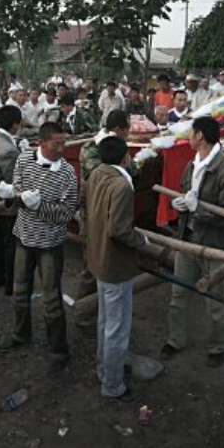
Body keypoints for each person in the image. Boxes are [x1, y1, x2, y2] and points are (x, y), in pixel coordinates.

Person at [0, 122, 79, 375]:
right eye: (57, 143)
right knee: (20, 291)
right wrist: (11, 195)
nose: (62, 148)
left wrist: (38, 206)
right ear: (42, 143)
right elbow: (19, 194)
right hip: (23, 238)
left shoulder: (67, 173)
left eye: (63, 142)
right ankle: (21, 334)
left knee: (51, 299)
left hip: (50, 245)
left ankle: (59, 350)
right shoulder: (23, 161)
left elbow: (67, 213)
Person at [162, 117, 224, 368]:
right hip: (188, 240)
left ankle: (217, 346)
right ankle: (175, 339)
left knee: (214, 301)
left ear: (201, 136)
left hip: (215, 245)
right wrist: (182, 207)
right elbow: (185, 192)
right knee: (178, 294)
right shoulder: (192, 165)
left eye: (192, 132)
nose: (188, 136)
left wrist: (197, 211)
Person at [84, 135, 147, 401]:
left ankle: (103, 369)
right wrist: (141, 240)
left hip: (97, 257)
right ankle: (112, 384)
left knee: (105, 321)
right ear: (125, 157)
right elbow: (120, 230)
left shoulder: (96, 173)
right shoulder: (122, 185)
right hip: (114, 264)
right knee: (117, 328)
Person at [0, 105, 23, 294]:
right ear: (15, 124)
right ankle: (10, 284)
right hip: (6, 201)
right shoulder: (9, 149)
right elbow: (14, 179)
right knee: (10, 243)